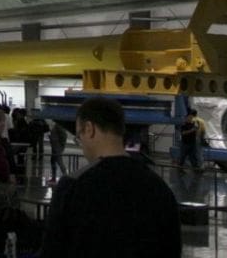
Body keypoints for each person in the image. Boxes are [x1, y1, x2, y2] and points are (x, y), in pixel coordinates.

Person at [41, 97, 180, 257]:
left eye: (79, 135)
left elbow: (52, 250)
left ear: (89, 129)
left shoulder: (72, 186)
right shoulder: (159, 187)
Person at [177, 107, 206, 172]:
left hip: (192, 142)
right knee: (185, 156)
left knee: (192, 156)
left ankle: (195, 168)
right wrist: (194, 131)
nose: (190, 118)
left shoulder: (193, 123)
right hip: (187, 142)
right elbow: (183, 133)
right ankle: (181, 168)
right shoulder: (185, 124)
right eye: (189, 117)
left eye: (191, 117)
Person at [48, 120, 69, 185]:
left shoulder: (58, 125)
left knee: (59, 162)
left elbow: (64, 135)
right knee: (53, 161)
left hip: (57, 147)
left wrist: (61, 145)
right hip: (55, 147)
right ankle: (54, 178)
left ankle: (66, 177)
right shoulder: (57, 125)